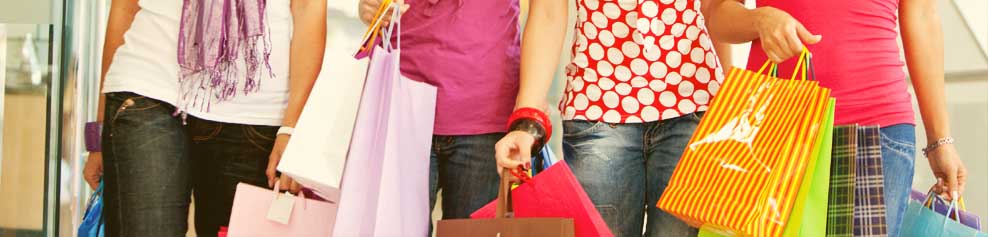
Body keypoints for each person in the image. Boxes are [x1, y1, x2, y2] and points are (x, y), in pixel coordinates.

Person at [703, 0, 968, 236]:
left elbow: (921, 15)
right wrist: (760, 20)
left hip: (876, 128)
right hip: (772, 125)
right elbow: (717, 13)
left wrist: (940, 139)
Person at [82, 0, 326, 236]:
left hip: (255, 114)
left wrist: (293, 128)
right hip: (150, 85)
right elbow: (124, 6)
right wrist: (99, 133)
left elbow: (308, 6)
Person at [495, 0, 732, 235]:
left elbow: (715, 8)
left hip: (694, 105)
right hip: (598, 107)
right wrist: (526, 121)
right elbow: (548, 12)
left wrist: (734, 104)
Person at [356, 0, 524, 222]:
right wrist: (369, 7)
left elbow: (547, 13)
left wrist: (529, 102)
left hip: (486, 109)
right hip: (398, 101)